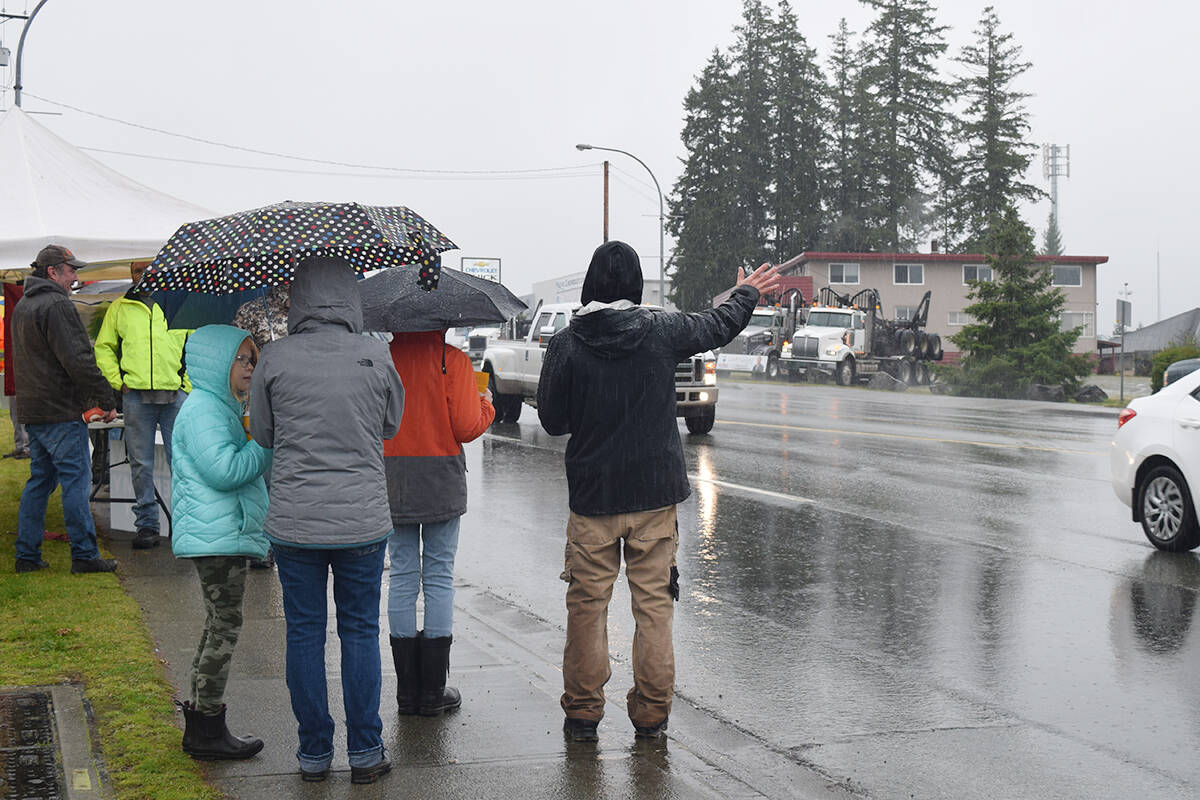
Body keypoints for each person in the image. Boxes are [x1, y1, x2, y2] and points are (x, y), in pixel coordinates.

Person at [537, 241, 780, 742]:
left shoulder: (566, 344)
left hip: (593, 500)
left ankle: (582, 712)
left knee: (587, 606)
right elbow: (718, 325)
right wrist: (747, 292)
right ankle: (651, 714)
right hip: (653, 498)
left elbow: (554, 421)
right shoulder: (660, 330)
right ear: (634, 284)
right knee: (654, 607)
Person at [249, 255, 404, 784]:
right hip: (362, 519)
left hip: (294, 521)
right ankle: (365, 752)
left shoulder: (274, 357)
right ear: (351, 297)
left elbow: (265, 436)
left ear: (298, 299)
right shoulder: (375, 353)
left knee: (305, 633)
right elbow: (390, 424)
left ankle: (314, 754)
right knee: (360, 631)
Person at [170, 325, 271, 760]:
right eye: (242, 359)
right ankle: (207, 727)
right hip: (218, 537)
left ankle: (201, 721)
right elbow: (225, 471)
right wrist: (265, 444)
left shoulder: (220, 406)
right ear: (217, 361)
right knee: (224, 627)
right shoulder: (204, 411)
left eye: (253, 358)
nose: (250, 367)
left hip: (222, 533)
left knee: (217, 625)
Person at [384, 329, 494, 717]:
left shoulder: (382, 358)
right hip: (441, 480)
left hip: (391, 477)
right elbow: (467, 427)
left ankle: (405, 691)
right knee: (438, 575)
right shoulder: (454, 361)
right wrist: (486, 405)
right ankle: (432, 690)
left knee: (401, 575)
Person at [12, 245, 118, 574]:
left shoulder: (24, 305)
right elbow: (78, 359)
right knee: (76, 481)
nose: (75, 278)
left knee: (40, 482)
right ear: (53, 272)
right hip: (59, 411)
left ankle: (26, 556)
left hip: (35, 410)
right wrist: (106, 398)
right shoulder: (56, 303)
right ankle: (84, 555)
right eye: (71, 271)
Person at [94, 261, 190, 549]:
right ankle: (147, 525)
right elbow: (103, 347)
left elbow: (194, 343)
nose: (145, 274)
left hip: (175, 396)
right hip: (136, 395)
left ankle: (185, 525)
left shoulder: (175, 303)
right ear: (131, 275)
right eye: (138, 270)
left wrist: (186, 384)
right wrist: (118, 380)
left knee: (183, 463)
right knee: (141, 463)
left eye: (150, 268)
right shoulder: (120, 308)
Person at [232, 285, 290, 569]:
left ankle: (291, 542)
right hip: (261, 404)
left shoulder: (315, 311)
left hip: (302, 406)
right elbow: (236, 355)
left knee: (295, 477)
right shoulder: (251, 311)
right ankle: (263, 544)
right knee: (263, 477)